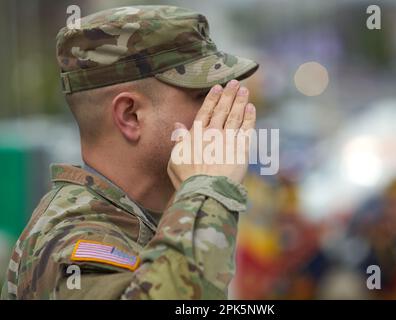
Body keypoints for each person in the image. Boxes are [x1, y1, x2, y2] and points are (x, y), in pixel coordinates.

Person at [1, 5, 258, 299]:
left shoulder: (140, 218)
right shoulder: (71, 242)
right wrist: (208, 192)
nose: (224, 110)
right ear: (130, 115)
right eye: (203, 95)